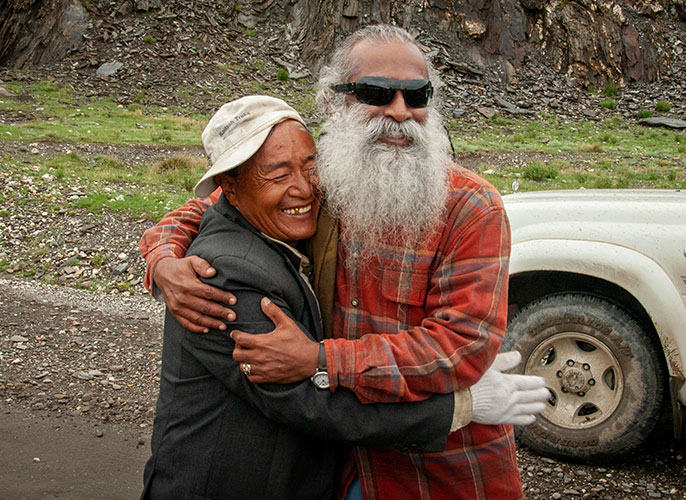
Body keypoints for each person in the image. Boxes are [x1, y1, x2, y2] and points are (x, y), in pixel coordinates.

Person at [140, 26, 547, 500]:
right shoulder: (326, 178)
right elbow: (211, 205)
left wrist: (321, 359)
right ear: (337, 104)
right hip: (341, 466)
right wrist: (163, 259)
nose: (400, 111)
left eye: (417, 96)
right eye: (376, 92)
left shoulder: (470, 207)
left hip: (437, 473)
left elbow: (461, 347)